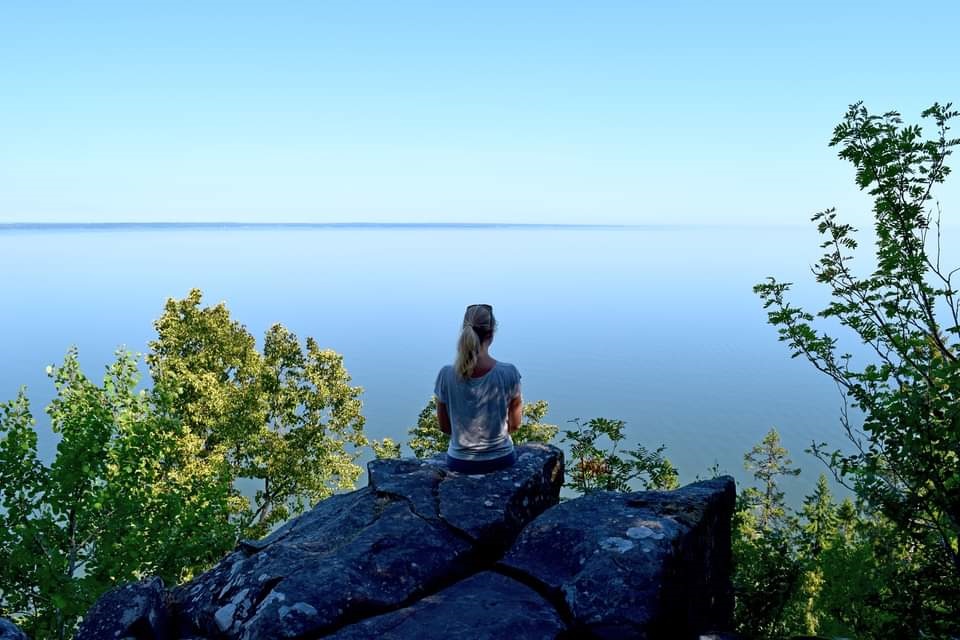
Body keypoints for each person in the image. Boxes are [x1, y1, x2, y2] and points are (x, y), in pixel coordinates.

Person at [434, 304, 523, 473]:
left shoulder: (445, 375)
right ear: (491, 334)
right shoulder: (509, 372)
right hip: (501, 459)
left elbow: (445, 427)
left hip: (459, 461)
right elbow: (516, 424)